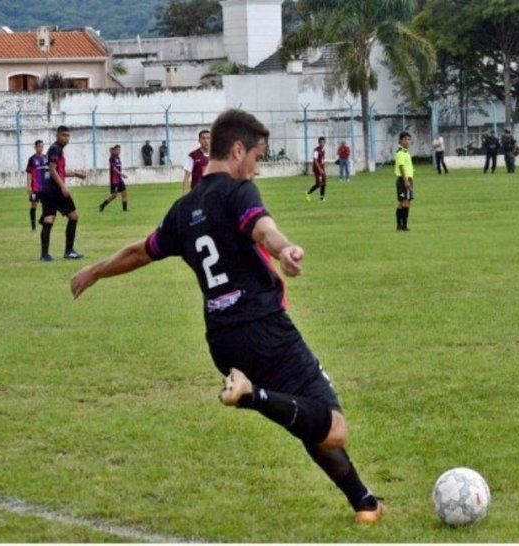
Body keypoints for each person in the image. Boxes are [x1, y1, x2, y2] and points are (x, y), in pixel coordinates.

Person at [69, 109, 384, 524]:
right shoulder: (239, 192)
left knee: (306, 416)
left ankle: (363, 503)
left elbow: (140, 251)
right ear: (237, 150)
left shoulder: (182, 210)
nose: (257, 168)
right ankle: (251, 395)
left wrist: (94, 271)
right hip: (266, 331)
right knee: (334, 426)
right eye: (257, 156)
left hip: (223, 342)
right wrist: (284, 247)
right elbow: (263, 229)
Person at [39, 125, 86, 261]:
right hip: (55, 189)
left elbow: (58, 171)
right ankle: (69, 251)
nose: (66, 138)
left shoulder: (55, 149)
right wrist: (63, 186)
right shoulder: (56, 149)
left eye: (68, 136)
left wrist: (75, 174)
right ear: (57, 136)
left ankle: (44, 255)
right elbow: (52, 170)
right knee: (74, 217)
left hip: (46, 189)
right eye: (64, 135)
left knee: (48, 219)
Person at [25, 140, 48, 231]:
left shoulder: (46, 157)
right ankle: (33, 227)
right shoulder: (32, 159)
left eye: (42, 146)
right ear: (35, 147)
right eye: (39, 146)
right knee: (34, 205)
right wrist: (29, 186)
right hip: (35, 188)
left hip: (45, 187)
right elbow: (29, 173)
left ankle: (41, 221)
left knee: (47, 206)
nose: (40, 148)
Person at [99, 145, 129, 212]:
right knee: (114, 196)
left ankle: (125, 210)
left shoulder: (118, 158)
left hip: (120, 180)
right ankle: (103, 205)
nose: (119, 151)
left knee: (124, 192)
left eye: (119, 150)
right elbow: (114, 168)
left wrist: (121, 176)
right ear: (114, 150)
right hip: (114, 181)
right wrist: (122, 174)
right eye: (117, 150)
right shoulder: (111, 158)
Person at [395, 131, 414, 231]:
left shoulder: (406, 152)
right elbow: (401, 167)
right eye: (406, 139)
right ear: (400, 141)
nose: (408, 141)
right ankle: (403, 225)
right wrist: (406, 181)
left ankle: (400, 225)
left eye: (409, 139)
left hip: (407, 179)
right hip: (404, 179)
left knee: (404, 202)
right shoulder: (400, 153)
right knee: (405, 202)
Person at [182, 130, 211, 195]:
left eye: (208, 138)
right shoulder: (193, 155)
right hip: (197, 192)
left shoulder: (216, 155)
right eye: (203, 138)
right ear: (199, 140)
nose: (206, 141)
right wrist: (184, 193)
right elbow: (186, 176)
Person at [306, 137, 328, 201]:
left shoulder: (323, 150)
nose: (322, 143)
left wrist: (323, 168)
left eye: (323, 142)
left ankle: (322, 198)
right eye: (321, 142)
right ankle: (308, 193)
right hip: (317, 169)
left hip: (322, 168)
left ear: (325, 142)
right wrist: (319, 169)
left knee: (324, 183)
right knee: (319, 183)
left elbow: (322, 160)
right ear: (318, 142)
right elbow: (315, 160)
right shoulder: (316, 150)